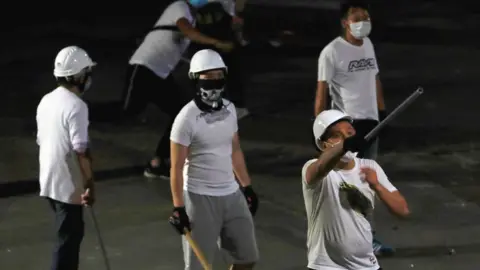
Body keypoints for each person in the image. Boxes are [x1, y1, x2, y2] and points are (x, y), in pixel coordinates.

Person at [121, 0, 235, 179]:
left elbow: (184, 40)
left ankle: (157, 162)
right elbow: (188, 31)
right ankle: (81, 112)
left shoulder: (192, 18)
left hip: (160, 74)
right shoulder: (180, 7)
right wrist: (217, 43)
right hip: (144, 67)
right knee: (126, 110)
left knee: (180, 114)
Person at [168, 49, 259, 270]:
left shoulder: (229, 110)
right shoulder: (185, 120)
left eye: (219, 77)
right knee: (199, 266)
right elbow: (176, 167)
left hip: (231, 194)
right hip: (200, 199)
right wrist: (179, 207)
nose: (215, 84)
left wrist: (246, 186)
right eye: (208, 79)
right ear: (194, 81)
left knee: (247, 258)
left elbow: (235, 149)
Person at [313, 1, 391, 255]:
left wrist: (382, 113)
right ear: (345, 23)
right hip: (348, 127)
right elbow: (322, 92)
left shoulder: (368, 45)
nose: (362, 22)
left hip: (371, 124)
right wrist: (321, 130)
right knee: (349, 184)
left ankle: (365, 238)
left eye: (365, 17)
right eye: (356, 18)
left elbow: (375, 78)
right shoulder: (332, 52)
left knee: (367, 183)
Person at [302, 109, 410, 270]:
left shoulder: (370, 167)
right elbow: (319, 167)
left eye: (349, 133)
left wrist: (377, 186)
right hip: (326, 266)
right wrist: (345, 146)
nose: (345, 138)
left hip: (366, 265)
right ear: (324, 145)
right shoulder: (313, 169)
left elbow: (403, 210)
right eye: (336, 136)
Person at [36, 46, 96, 270]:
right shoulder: (77, 106)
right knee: (67, 241)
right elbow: (81, 150)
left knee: (70, 234)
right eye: (87, 73)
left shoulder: (46, 100)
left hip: (48, 179)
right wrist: (89, 184)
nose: (89, 78)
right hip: (67, 184)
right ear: (78, 76)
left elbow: (42, 140)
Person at [191, 0, 250, 119]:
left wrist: (237, 17)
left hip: (221, 23)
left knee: (228, 65)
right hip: (204, 21)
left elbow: (238, 8)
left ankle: (237, 105)